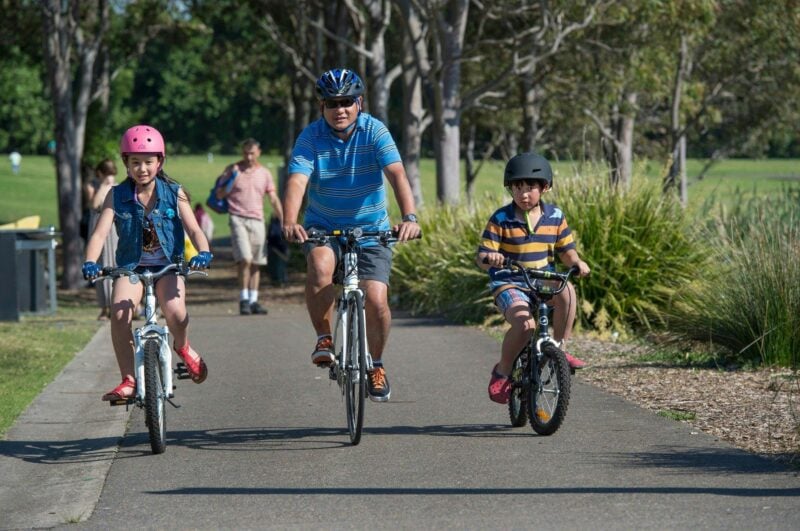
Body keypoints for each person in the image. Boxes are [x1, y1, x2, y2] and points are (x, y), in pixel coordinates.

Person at [282, 67, 421, 402]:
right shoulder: (311, 137)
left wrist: (410, 217)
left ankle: (377, 365)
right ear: (322, 107)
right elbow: (298, 181)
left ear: (359, 103)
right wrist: (289, 220)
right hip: (323, 226)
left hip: (372, 229)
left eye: (346, 102)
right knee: (320, 267)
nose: (339, 109)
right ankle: (324, 338)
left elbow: (397, 174)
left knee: (376, 299)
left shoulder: (375, 131)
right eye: (332, 103)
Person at [82, 124, 213, 401]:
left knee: (175, 312)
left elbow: (195, 229)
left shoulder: (174, 192)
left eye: (148, 162)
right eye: (135, 162)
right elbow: (100, 233)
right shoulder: (116, 195)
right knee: (119, 314)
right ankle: (129, 380)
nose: (142, 168)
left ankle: (184, 346)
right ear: (126, 164)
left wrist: (202, 252)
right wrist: (90, 261)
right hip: (131, 267)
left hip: (168, 265)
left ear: (160, 162)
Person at [476, 152, 590, 405]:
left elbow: (566, 251)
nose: (523, 194)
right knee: (525, 325)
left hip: (543, 278)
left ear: (544, 188)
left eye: (530, 188)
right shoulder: (501, 219)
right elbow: (482, 255)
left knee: (567, 291)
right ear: (510, 189)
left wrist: (577, 262)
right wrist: (490, 258)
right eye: (518, 188)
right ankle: (503, 370)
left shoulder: (555, 217)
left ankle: (558, 348)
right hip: (510, 281)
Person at [214, 138, 282, 315]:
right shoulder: (232, 170)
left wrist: (284, 219)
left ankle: (253, 300)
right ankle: (244, 298)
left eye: (252, 153)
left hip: (257, 220)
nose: (249, 157)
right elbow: (219, 195)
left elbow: (273, 197)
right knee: (245, 258)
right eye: (246, 153)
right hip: (238, 218)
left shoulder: (265, 173)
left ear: (259, 152)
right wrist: (231, 178)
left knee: (256, 262)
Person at [88, 159, 119, 320]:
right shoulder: (93, 186)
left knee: (115, 263)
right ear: (100, 174)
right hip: (98, 226)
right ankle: (105, 306)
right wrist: (104, 187)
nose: (110, 177)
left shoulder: (118, 188)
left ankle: (118, 304)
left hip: (112, 228)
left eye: (112, 174)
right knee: (101, 264)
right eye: (107, 174)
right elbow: (94, 204)